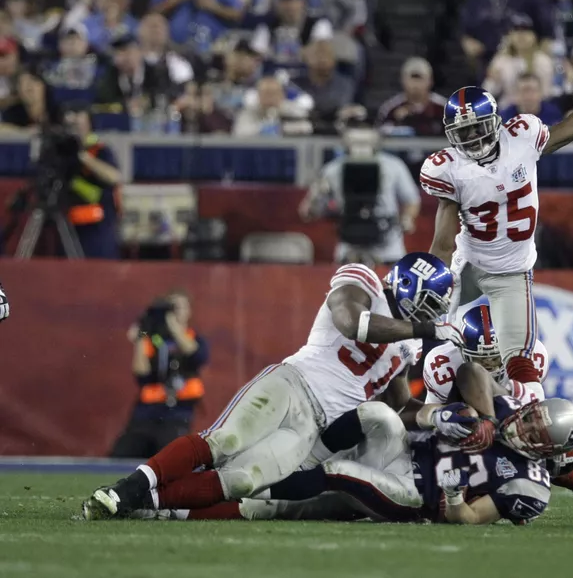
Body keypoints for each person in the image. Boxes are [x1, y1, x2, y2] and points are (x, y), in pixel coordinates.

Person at [82, 253, 469, 520]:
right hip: (293, 384)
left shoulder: (408, 343)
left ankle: (143, 502)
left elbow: (399, 405)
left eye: (436, 309)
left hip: (314, 427)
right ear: (405, 285)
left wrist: (437, 415)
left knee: (242, 480)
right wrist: (427, 328)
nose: (432, 314)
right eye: (429, 303)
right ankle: (126, 488)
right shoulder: (362, 281)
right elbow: (353, 323)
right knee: (224, 443)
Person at [421, 66, 573, 387]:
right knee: (442, 345)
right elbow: (444, 241)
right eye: (464, 132)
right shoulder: (450, 169)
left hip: (513, 269)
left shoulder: (522, 138)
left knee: (519, 358)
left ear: (496, 122)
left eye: (478, 128)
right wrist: (435, 285)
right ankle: (435, 415)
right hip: (470, 268)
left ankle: (520, 418)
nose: (472, 139)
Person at [150, 395, 573, 525]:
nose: (523, 426)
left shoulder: (528, 483)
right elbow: (465, 380)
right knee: (377, 413)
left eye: (535, 432)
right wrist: (442, 416)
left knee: (338, 473)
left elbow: (468, 519)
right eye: (531, 417)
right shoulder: (499, 412)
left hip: (417, 497)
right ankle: (305, 457)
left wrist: (453, 496)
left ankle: (261, 482)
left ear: (546, 451)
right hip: (405, 453)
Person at [421, 300, 573, 521]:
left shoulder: (531, 354)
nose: (490, 364)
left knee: (544, 449)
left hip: (510, 399)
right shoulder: (442, 363)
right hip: (465, 411)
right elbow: (434, 415)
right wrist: (453, 422)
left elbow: (532, 424)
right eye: (481, 357)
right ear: (461, 348)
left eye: (495, 357)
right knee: (467, 434)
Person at [300, 109, 420, 264]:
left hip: (389, 249)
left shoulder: (394, 166)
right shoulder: (332, 170)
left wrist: (407, 218)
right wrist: (315, 196)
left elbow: (412, 200)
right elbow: (308, 214)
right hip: (349, 250)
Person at [110, 289, 209, 458]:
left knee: (171, 455)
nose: (175, 312)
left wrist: (174, 327)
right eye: (172, 308)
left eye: (180, 308)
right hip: (147, 412)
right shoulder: (154, 340)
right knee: (122, 453)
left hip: (177, 412)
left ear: (188, 311)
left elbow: (195, 355)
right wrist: (142, 334)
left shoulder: (194, 338)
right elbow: (141, 373)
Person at [62, 102, 123, 259]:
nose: (74, 124)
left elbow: (114, 176)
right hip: (66, 224)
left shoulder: (100, 150)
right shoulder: (61, 152)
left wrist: (83, 157)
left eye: (79, 119)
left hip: (96, 228)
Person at [482, 12, 554, 109]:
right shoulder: (501, 60)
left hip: (537, 110)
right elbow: (487, 92)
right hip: (508, 111)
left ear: (534, 36)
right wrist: (492, 80)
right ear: (510, 36)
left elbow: (547, 94)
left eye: (525, 31)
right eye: (516, 30)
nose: (521, 35)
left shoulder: (543, 61)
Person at [375, 56, 446, 137]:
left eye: (420, 79)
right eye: (412, 79)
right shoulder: (390, 109)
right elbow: (379, 134)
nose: (415, 85)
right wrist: (397, 122)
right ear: (402, 80)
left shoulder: (443, 108)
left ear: (430, 81)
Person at [498, 73, 562, 126]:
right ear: (516, 94)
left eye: (533, 91)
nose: (528, 96)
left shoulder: (553, 114)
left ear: (540, 93)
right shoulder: (505, 118)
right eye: (524, 91)